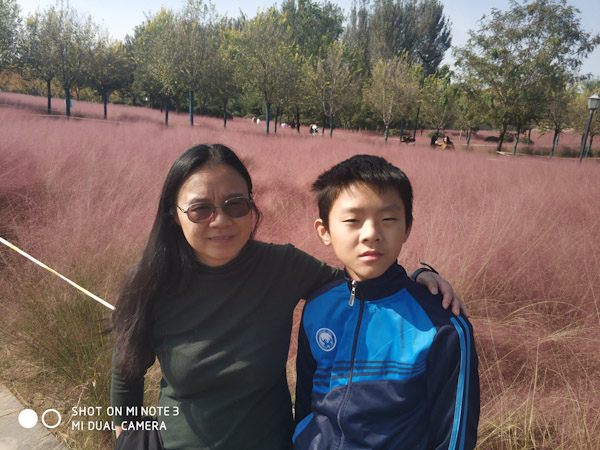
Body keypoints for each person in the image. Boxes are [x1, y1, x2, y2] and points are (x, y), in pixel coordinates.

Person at [110, 144, 467, 449]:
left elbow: (359, 282)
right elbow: (126, 372)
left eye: (235, 204)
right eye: (200, 209)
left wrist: (420, 277)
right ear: (174, 215)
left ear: (251, 207)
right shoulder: (152, 283)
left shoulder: (281, 266)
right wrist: (128, 433)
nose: (220, 220)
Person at [293, 155, 479, 449]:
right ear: (325, 231)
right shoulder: (316, 307)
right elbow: (305, 404)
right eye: (352, 220)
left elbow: (454, 436)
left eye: (388, 219)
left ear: (407, 227)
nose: (371, 234)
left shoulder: (442, 323)